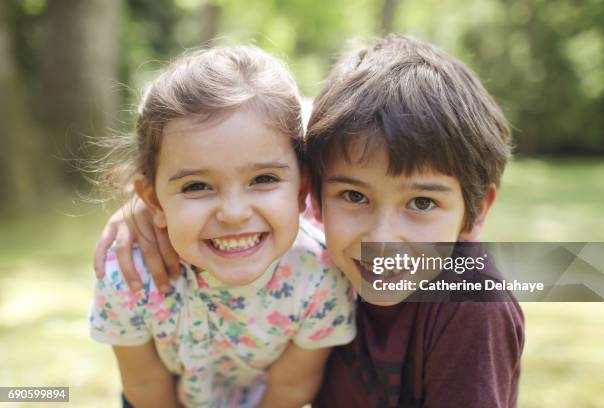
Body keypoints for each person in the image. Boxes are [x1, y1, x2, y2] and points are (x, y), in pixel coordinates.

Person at [95, 35, 524, 407]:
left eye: (423, 204)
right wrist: (146, 211)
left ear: (477, 210)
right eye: (354, 196)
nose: (383, 238)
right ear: (313, 196)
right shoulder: (293, 231)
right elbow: (244, 147)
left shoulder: (471, 307)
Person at [89, 45, 355, 408]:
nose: (233, 213)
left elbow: (291, 387)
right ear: (153, 202)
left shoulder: (321, 276)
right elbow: (146, 386)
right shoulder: (128, 275)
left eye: (262, 179)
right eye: (197, 186)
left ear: (302, 190)